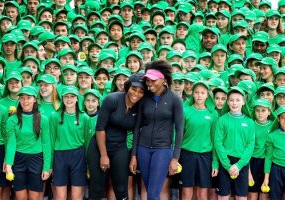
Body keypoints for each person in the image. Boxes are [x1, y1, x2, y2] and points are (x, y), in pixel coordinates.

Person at [130, 60, 184, 200]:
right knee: (149, 190)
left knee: (153, 192)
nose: (149, 83)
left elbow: (179, 130)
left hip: (163, 150)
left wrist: (175, 158)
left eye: (153, 80)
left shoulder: (175, 99)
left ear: (163, 80)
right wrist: (134, 155)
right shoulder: (144, 99)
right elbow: (137, 127)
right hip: (143, 149)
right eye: (147, 80)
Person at [88, 73, 146, 200]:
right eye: (134, 88)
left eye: (141, 91)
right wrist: (104, 155)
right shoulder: (112, 99)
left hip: (120, 148)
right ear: (128, 87)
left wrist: (133, 157)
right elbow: (100, 128)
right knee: (97, 188)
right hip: (99, 148)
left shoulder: (140, 107)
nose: (136, 93)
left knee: (121, 189)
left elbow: (136, 133)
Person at [5, 86, 52, 200]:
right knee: (20, 197)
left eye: (28, 98)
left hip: (36, 160)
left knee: (34, 197)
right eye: (22, 98)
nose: (25, 101)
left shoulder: (43, 119)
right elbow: (11, 143)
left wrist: (46, 167)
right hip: (18, 159)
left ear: (35, 99)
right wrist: (9, 165)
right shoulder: (12, 120)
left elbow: (46, 144)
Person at [49, 86, 91, 199]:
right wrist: (50, 164)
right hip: (59, 156)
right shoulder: (54, 116)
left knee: (76, 197)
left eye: (72, 96)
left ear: (77, 98)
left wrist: (88, 164)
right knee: (60, 197)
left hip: (78, 156)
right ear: (62, 99)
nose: (69, 99)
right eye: (66, 96)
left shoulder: (85, 117)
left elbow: (87, 142)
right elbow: (51, 141)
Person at [214, 87, 255, 200]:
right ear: (227, 102)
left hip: (242, 162)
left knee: (241, 197)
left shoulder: (249, 122)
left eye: (237, 100)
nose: (234, 103)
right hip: (225, 161)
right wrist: (227, 166)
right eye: (231, 100)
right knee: (223, 196)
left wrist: (239, 165)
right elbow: (218, 143)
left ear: (243, 102)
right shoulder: (222, 120)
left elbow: (250, 145)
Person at [180, 81, 218, 200]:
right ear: (192, 94)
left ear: (207, 95)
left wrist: (215, 162)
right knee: (187, 191)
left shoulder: (213, 114)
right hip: (187, 155)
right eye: (196, 92)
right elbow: (178, 135)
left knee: (202, 193)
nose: (199, 95)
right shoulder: (185, 111)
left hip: (205, 156)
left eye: (202, 93)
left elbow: (215, 139)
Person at [262, 105, 285, 200]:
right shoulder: (272, 136)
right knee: (275, 196)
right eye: (282, 117)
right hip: (276, 169)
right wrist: (266, 178)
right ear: (278, 119)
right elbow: (268, 157)